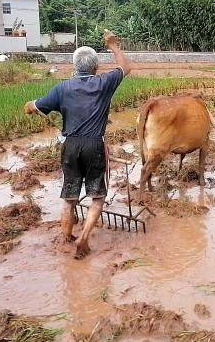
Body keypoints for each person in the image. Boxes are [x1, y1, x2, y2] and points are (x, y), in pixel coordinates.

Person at [23, 30, 131, 259]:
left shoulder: (62, 88)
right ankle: (83, 238)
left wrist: (29, 106)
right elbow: (125, 67)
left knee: (69, 197)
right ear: (95, 68)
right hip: (94, 146)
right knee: (98, 197)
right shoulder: (104, 83)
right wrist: (112, 44)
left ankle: (66, 236)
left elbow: (33, 106)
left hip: (70, 147)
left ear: (74, 67)